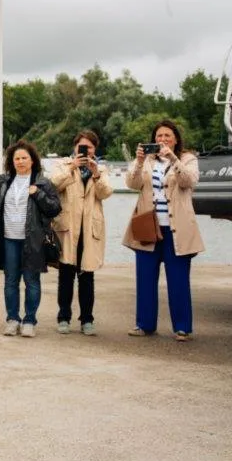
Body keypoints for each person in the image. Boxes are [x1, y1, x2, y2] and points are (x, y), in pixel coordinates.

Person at [123, 120, 204, 341]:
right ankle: (145, 324)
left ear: (176, 138)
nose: (163, 139)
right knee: (145, 279)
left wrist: (173, 158)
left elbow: (188, 181)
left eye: (168, 135)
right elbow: (131, 183)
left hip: (176, 230)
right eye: (159, 136)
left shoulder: (188, 159)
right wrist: (139, 162)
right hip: (148, 227)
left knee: (178, 280)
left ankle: (182, 328)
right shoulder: (147, 160)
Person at [0, 140, 62, 338]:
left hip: (33, 240)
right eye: (16, 158)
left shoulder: (43, 183)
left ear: (32, 160)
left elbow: (55, 208)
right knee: (10, 281)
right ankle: (12, 319)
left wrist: (38, 195)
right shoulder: (4, 183)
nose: (20, 161)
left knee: (32, 281)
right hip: (9, 239)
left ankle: (29, 321)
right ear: (12, 161)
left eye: (24, 158)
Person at [49, 130, 113, 336]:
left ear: (95, 149)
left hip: (89, 228)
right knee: (66, 275)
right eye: (81, 146)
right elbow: (52, 186)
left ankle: (87, 319)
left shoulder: (100, 168)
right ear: (75, 147)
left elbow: (105, 193)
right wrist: (73, 168)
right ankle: (63, 317)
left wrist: (96, 174)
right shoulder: (63, 165)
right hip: (68, 228)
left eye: (90, 147)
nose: (85, 150)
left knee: (87, 275)